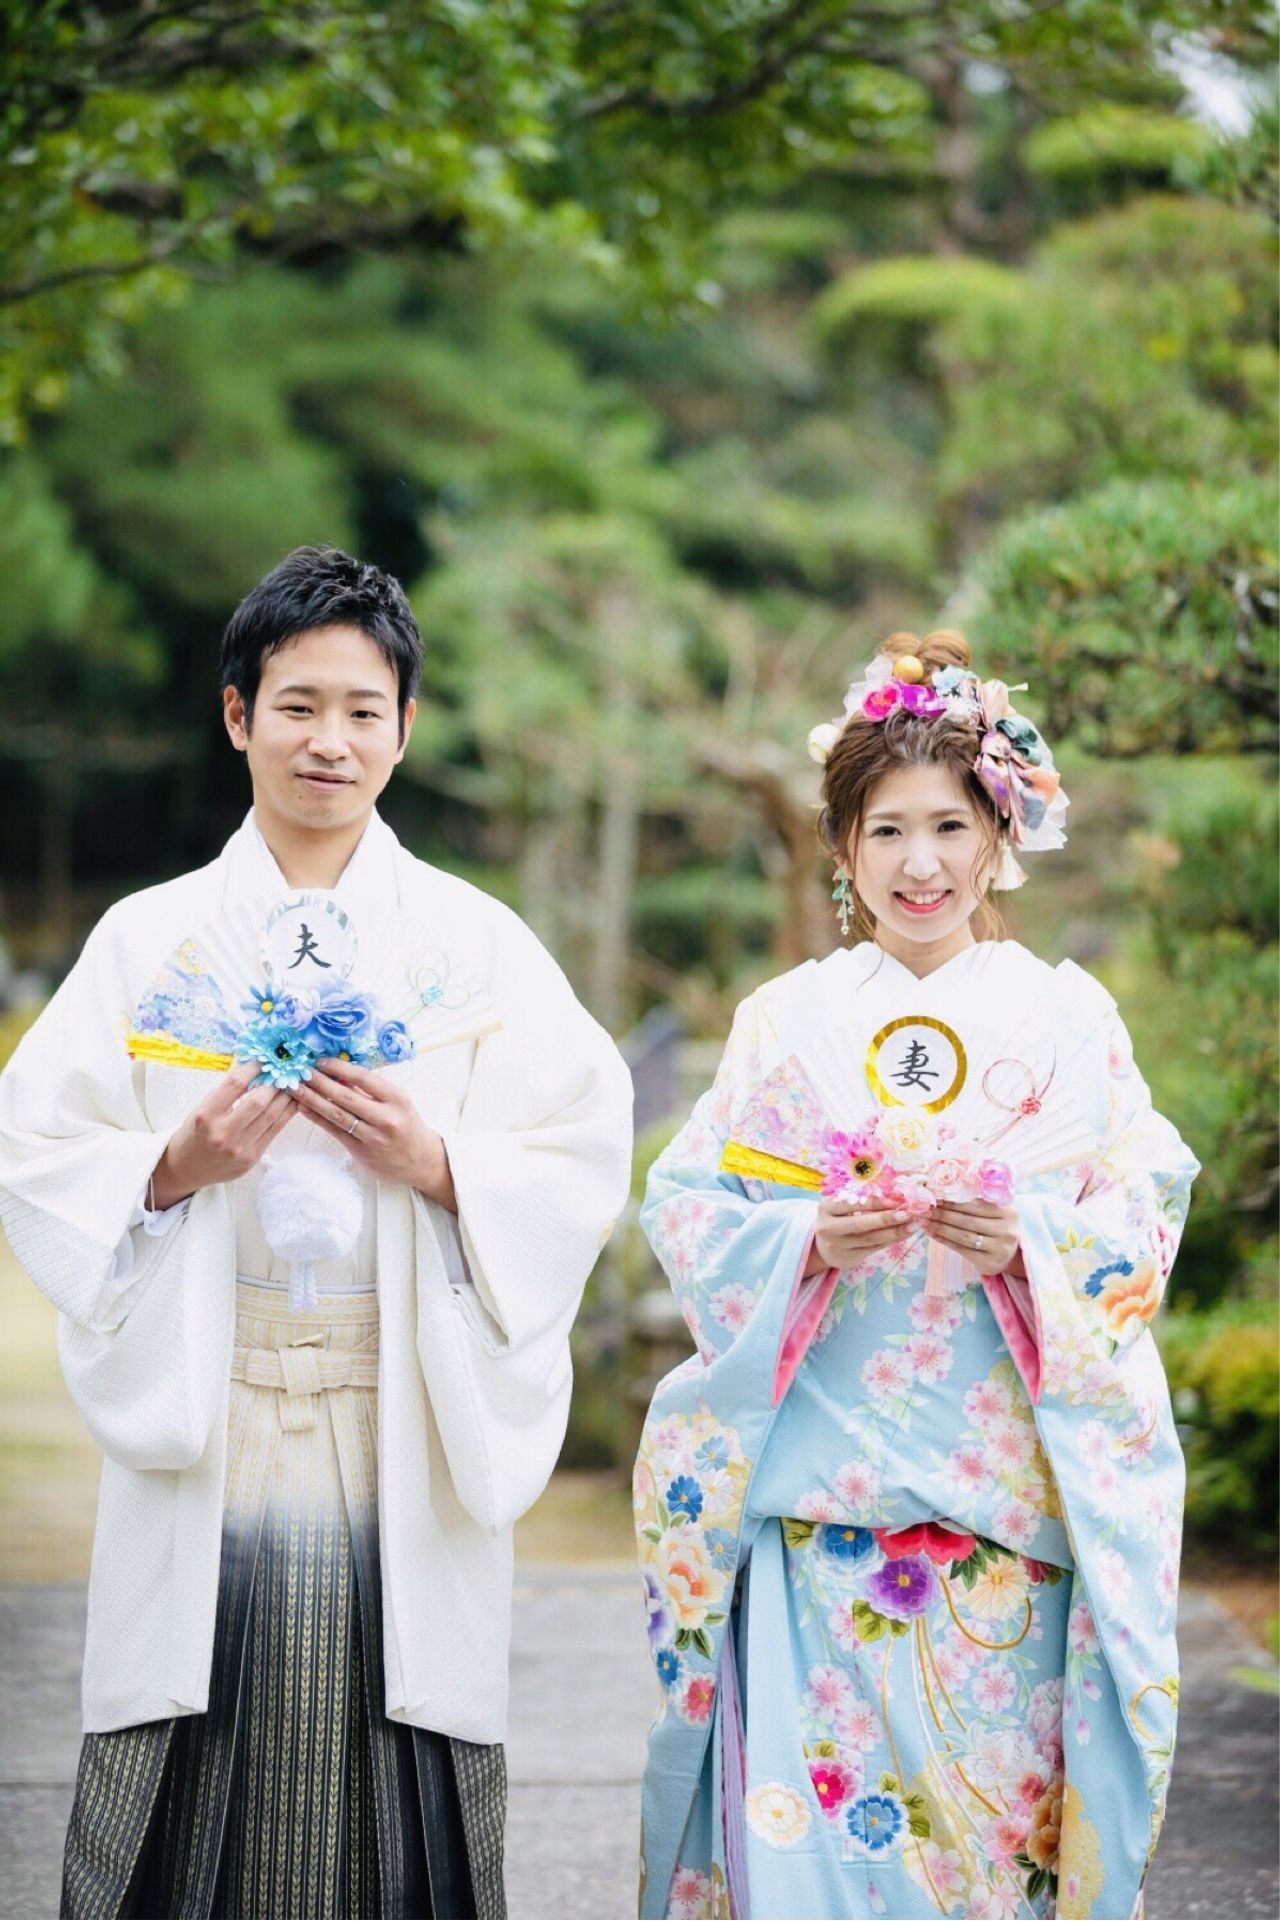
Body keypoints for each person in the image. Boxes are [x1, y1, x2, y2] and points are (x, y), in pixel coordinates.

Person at [0, 545, 633, 1920]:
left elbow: (583, 1142)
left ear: (405, 729)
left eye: (361, 709)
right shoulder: (149, 940)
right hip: (206, 1387)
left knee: (399, 1744)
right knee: (186, 1724)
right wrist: (172, 1166)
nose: (328, 740)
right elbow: (37, 1144)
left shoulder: (477, 944)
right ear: (237, 715)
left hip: (402, 1391)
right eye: (296, 705)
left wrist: (440, 1164)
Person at [633, 629, 1198, 1921]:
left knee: (987, 1874)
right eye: (885, 830)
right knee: (811, 1867)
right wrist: (803, 1242)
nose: (920, 862)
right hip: (818, 1520)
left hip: (1008, 1517)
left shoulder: (1069, 1018)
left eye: (949, 825)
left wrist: (1033, 1247)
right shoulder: (785, 1023)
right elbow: (690, 1202)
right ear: (843, 848)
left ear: (999, 834)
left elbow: (1144, 1194)